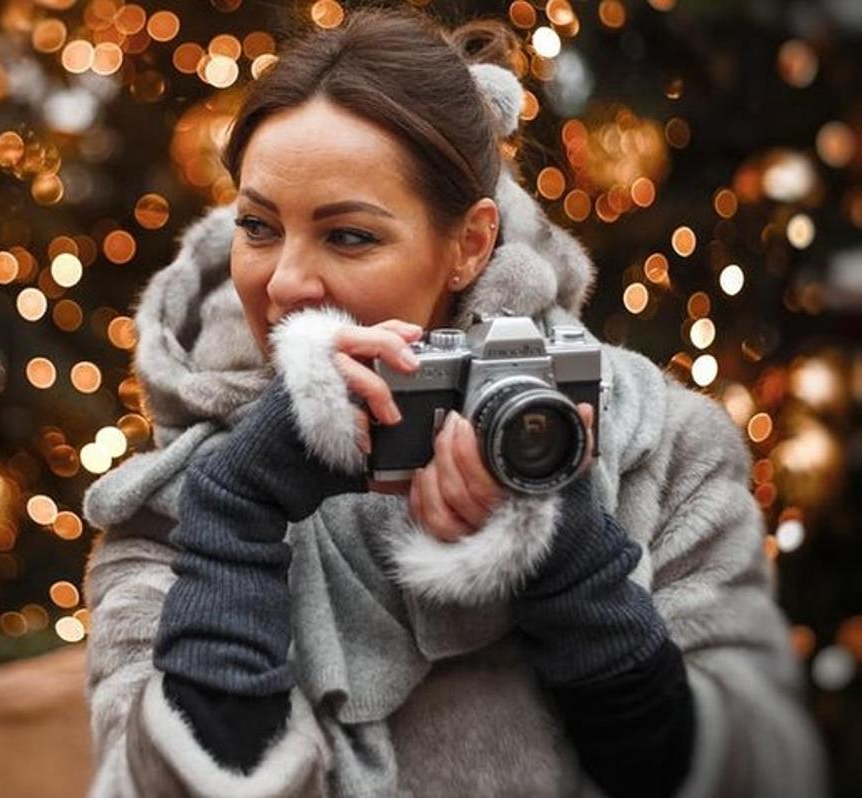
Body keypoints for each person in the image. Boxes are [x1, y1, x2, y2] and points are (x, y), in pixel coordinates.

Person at [81, 9, 826, 797]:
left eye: (349, 237)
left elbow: (758, 771)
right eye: (259, 227)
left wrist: (577, 571)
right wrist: (234, 518)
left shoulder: (658, 447)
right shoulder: (175, 498)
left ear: (470, 244)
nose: (286, 282)